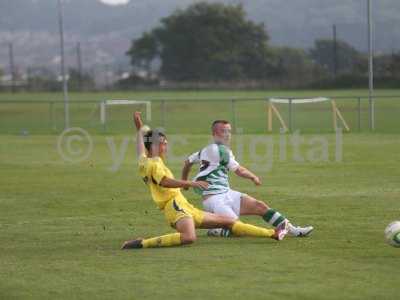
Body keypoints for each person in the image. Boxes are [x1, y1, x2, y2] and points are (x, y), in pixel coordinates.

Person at [121, 112, 289, 249]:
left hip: (185, 206)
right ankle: (142, 243)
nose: (167, 146)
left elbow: (142, 143)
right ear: (156, 146)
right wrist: (190, 183)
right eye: (164, 143)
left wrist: (139, 125)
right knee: (189, 238)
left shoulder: (143, 161)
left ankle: (272, 233)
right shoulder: (155, 163)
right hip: (175, 208)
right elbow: (165, 181)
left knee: (230, 222)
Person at [181, 120, 313, 238]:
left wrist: (185, 183)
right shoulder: (221, 151)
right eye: (224, 131)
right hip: (214, 200)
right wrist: (253, 176)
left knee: (260, 206)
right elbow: (239, 170)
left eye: (229, 131)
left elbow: (187, 162)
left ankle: (294, 230)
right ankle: (217, 230)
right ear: (215, 133)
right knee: (237, 228)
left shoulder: (206, 150)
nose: (228, 134)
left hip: (226, 193)